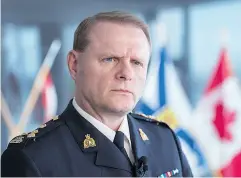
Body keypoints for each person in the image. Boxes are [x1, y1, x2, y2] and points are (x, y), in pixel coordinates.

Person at [1, 11, 193, 177]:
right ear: (74, 65)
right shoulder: (32, 158)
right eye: (110, 59)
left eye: (136, 63)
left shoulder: (166, 140)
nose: (126, 73)